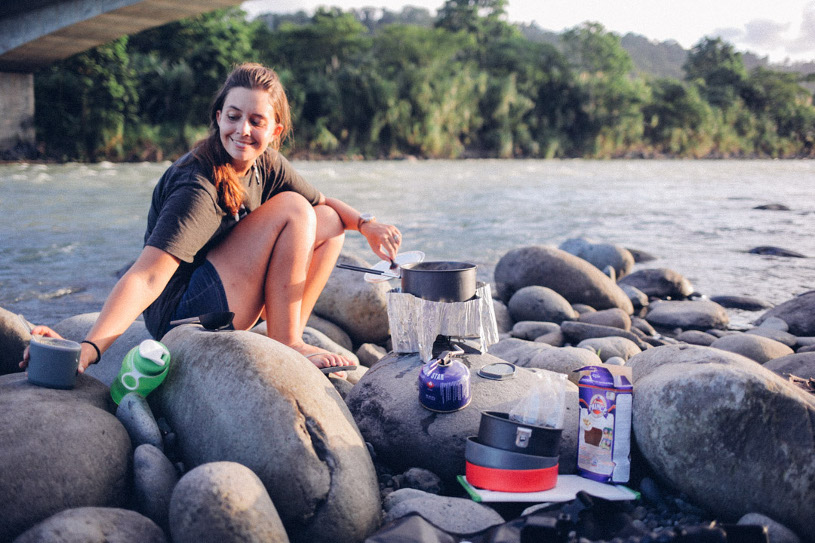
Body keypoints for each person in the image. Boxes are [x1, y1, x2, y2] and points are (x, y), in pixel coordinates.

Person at [20, 62, 401, 374]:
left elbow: (326, 204)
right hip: (180, 318)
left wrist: (366, 225)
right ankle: (288, 344)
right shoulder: (197, 185)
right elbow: (147, 276)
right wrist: (90, 347)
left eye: (256, 121)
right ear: (219, 117)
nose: (243, 130)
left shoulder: (265, 162)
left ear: (275, 130)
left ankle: (289, 332)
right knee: (295, 209)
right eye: (234, 117)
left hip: (223, 294)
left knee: (329, 221)